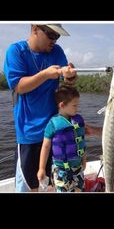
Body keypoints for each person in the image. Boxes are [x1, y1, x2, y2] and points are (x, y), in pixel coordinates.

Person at [4, 24, 77, 192]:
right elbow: (18, 86)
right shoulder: (16, 51)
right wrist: (45, 74)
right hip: (28, 133)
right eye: (51, 34)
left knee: (52, 183)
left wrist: (70, 77)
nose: (54, 40)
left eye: (57, 36)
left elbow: (66, 82)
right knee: (28, 185)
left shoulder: (57, 51)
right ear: (35, 29)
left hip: (54, 131)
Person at [37, 85, 86, 192]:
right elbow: (45, 147)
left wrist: (84, 159)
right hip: (61, 171)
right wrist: (41, 168)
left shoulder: (78, 121)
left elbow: (81, 142)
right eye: (74, 105)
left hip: (78, 168)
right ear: (62, 105)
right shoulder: (53, 124)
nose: (77, 108)